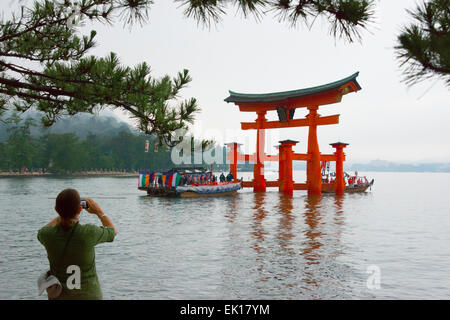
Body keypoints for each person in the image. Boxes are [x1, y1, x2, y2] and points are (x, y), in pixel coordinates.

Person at [37, 189, 117, 300]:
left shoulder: (47, 235)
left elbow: (41, 231)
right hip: (89, 296)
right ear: (80, 209)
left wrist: (62, 215)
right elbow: (112, 231)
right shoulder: (89, 233)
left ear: (56, 210)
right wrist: (99, 211)